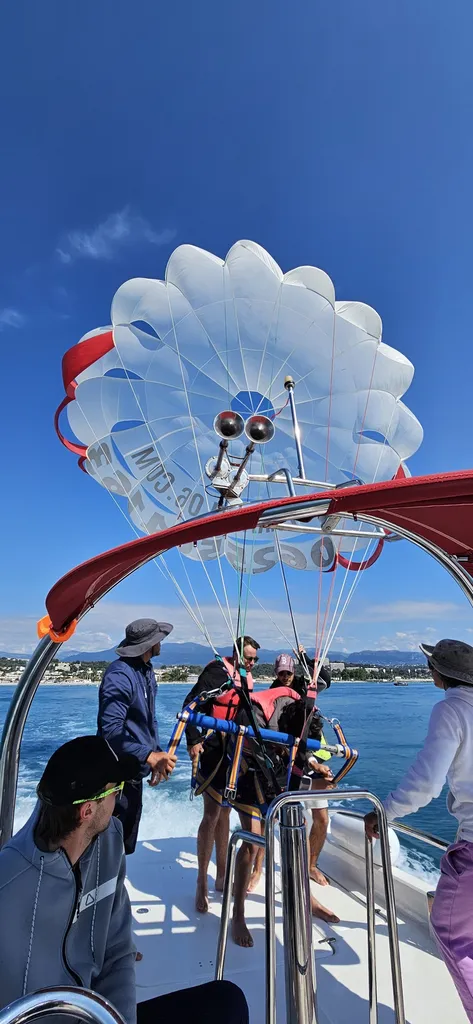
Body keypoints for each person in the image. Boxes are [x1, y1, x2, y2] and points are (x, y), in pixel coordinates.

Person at [0, 736, 249, 1024]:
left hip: (104, 1016)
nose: (119, 799)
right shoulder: (8, 883)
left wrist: (119, 1019)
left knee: (226, 1001)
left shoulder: (109, 841)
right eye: (115, 790)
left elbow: (118, 952)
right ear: (87, 810)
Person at [364, 639, 473, 1023]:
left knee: (451, 934)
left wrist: (385, 812)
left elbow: (426, 785)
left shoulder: (451, 709)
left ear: (439, 672)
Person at [229, 685, 339, 946]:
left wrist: (313, 764)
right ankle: (238, 913)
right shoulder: (256, 719)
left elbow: (299, 750)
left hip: (276, 767)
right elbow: (273, 772)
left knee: (297, 831)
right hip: (247, 771)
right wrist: (312, 785)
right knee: (252, 840)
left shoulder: (298, 711)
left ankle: (306, 898)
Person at [182, 635, 260, 914]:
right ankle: (201, 881)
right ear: (236, 654)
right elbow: (190, 704)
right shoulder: (217, 673)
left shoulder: (246, 678)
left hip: (236, 752)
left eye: (255, 660)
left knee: (226, 812)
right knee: (212, 814)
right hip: (214, 749)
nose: (251, 664)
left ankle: (222, 874)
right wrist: (193, 740)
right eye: (248, 658)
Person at [98, 619, 177, 854]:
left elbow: (149, 720)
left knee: (125, 846)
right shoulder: (119, 675)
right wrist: (148, 755)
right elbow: (111, 731)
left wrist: (156, 755)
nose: (161, 643)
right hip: (115, 781)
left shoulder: (146, 671)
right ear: (149, 645)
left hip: (134, 774)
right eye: (159, 639)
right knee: (108, 850)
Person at [269, 648, 333, 887]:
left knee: (322, 819)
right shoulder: (273, 695)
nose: (285, 677)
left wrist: (306, 659)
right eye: (281, 673)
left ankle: (311, 866)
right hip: (289, 763)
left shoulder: (305, 687)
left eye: (288, 672)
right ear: (276, 673)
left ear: (293, 671)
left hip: (314, 758)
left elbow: (325, 679)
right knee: (286, 818)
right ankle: (265, 866)